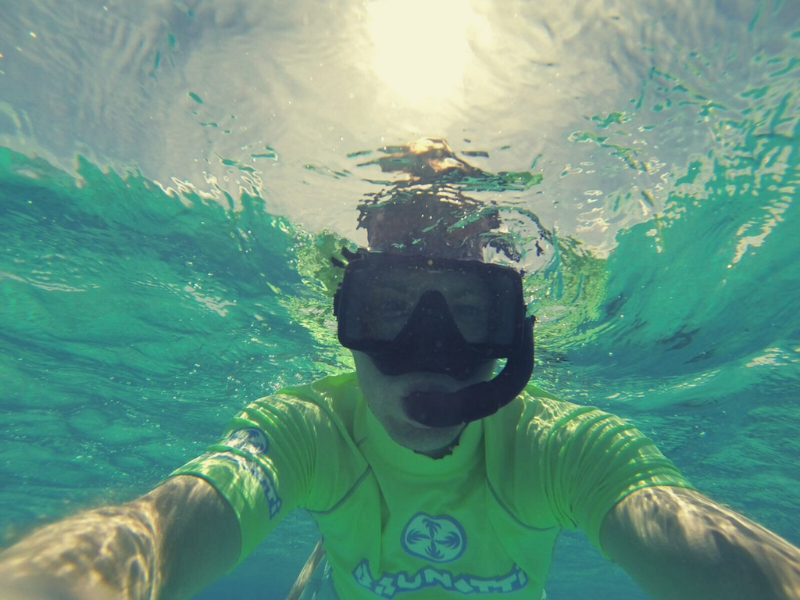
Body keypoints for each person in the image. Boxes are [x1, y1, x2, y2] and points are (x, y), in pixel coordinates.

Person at [2, 140, 800, 600]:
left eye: (468, 314)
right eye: (389, 309)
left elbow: (712, 553)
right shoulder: (307, 427)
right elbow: (157, 534)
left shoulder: (565, 445)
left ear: (514, 339)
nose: (431, 351)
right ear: (345, 323)